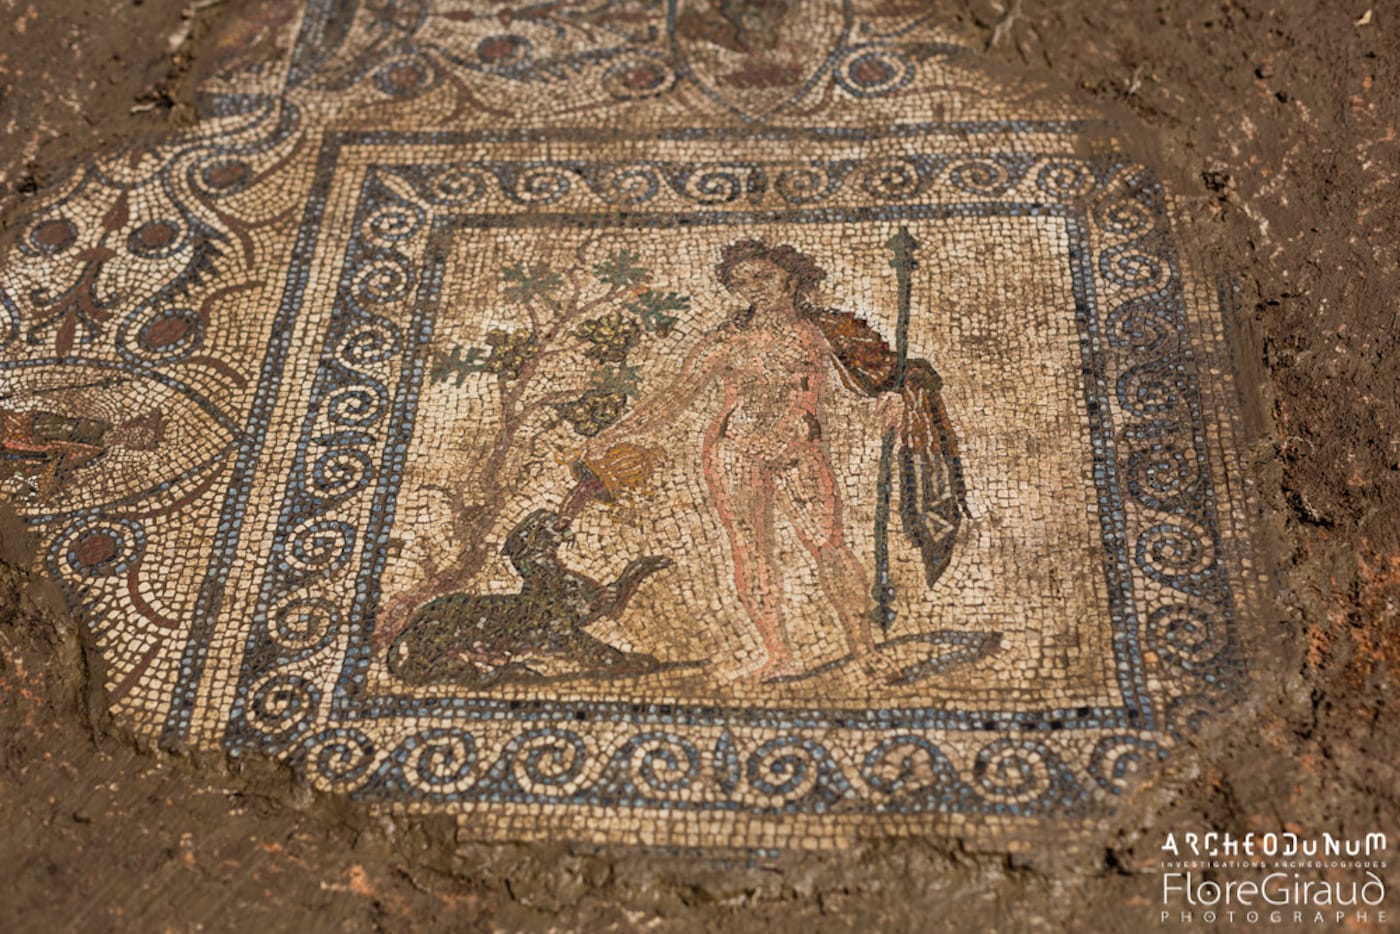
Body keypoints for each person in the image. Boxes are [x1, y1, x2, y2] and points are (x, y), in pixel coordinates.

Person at [581, 239, 964, 682]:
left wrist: (895, 397)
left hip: (799, 452)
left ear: (792, 276)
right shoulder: (727, 339)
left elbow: (883, 372)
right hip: (734, 452)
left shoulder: (823, 330)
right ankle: (777, 653)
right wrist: (612, 435)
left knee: (829, 546)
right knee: (752, 552)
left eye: (762, 277)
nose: (754, 289)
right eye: (742, 282)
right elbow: (673, 398)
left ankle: (865, 651)